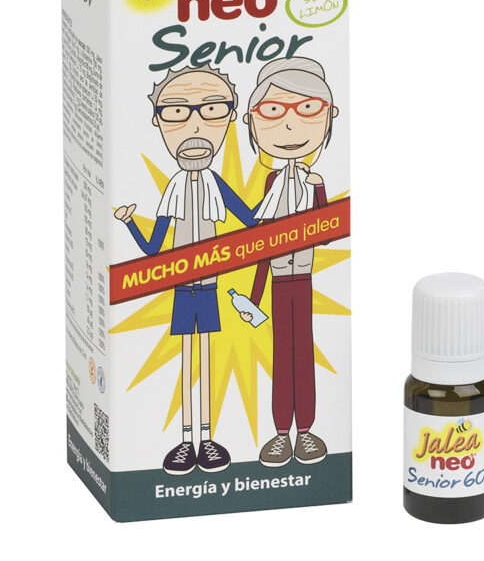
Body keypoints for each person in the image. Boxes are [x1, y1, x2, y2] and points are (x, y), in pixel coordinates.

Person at [114, 64, 258, 475]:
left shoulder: (217, 184)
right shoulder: (172, 189)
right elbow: (154, 247)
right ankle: (184, 440)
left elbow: (250, 220)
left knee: (205, 357)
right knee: (187, 360)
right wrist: (129, 222)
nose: (195, 127)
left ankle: (207, 439)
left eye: (211, 109)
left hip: (209, 287)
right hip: (182, 289)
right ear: (158, 121)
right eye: (177, 112)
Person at [241, 57, 338, 466]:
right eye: (273, 110)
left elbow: (325, 230)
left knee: (304, 356)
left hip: (305, 280)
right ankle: (282, 433)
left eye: (308, 109)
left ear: (328, 115)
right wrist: (253, 297)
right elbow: (265, 245)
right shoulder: (270, 182)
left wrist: (320, 191)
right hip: (279, 283)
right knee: (284, 357)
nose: (289, 125)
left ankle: (308, 431)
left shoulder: (315, 183)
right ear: (253, 120)